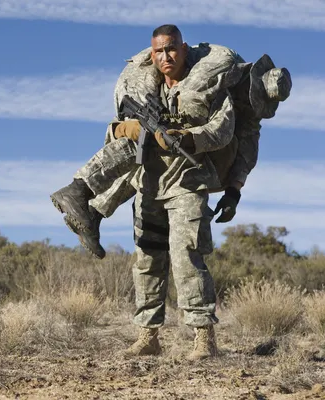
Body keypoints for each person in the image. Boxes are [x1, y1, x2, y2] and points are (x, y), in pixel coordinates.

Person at [51, 24, 290, 360]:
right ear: (152, 53)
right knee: (147, 261)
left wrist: (190, 141)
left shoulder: (211, 85)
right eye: (159, 51)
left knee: (188, 259)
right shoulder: (141, 86)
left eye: (172, 50)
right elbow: (115, 132)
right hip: (148, 185)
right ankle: (148, 337)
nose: (166, 57)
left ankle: (203, 341)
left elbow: (223, 131)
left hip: (188, 184)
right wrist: (132, 129)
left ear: (184, 48)